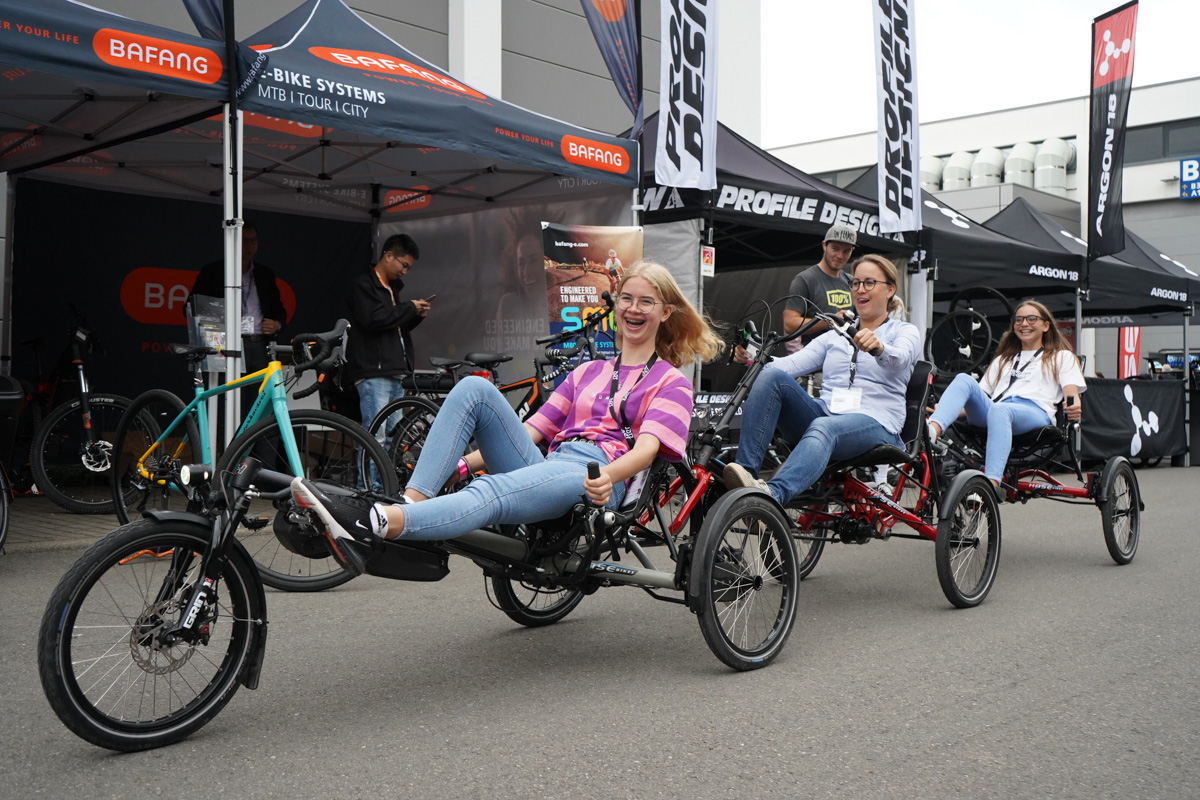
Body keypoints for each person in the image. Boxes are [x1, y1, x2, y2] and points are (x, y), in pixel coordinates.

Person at [292, 260, 722, 574]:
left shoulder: (671, 383)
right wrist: (462, 464)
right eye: (627, 298)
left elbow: (648, 450)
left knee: (494, 489)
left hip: (594, 478)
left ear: (665, 313)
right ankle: (410, 502)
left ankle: (382, 523)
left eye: (646, 302)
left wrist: (607, 475)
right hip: (550, 466)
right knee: (475, 388)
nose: (634, 308)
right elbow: (531, 430)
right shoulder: (588, 371)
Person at [724, 254, 921, 506]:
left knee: (824, 427)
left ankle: (771, 498)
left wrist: (879, 348)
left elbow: (901, 358)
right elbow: (789, 364)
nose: (860, 289)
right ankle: (746, 479)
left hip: (877, 421)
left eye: (869, 283)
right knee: (771, 375)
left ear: (890, 289)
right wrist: (751, 356)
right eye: (856, 283)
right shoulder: (835, 334)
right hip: (828, 413)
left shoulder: (904, 332)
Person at [926, 299, 1085, 495]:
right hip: (997, 412)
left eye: (1031, 318)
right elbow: (975, 401)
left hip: (1035, 414)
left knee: (1001, 409)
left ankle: (990, 485)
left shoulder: (1061, 356)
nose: (1024, 324)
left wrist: (1074, 405)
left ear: (1046, 325)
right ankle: (932, 431)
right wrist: (945, 409)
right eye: (1019, 320)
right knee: (963, 380)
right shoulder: (1003, 360)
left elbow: (1071, 393)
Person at [346, 233, 431, 434]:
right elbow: (374, 319)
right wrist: (409, 308)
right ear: (389, 255)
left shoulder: (392, 289)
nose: (405, 271)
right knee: (375, 436)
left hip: (395, 370)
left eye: (408, 267)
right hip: (374, 371)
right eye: (404, 265)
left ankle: (389, 468)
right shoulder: (364, 284)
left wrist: (416, 314)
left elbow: (394, 327)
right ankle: (369, 468)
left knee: (395, 435)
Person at [188, 220, 288, 376]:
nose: (250, 245)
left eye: (253, 240)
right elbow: (191, 307)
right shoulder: (213, 271)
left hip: (259, 344)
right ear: (233, 241)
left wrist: (277, 324)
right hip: (225, 343)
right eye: (245, 240)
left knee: (260, 395)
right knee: (229, 395)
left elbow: (279, 309)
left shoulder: (265, 274)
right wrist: (223, 313)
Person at [781, 224, 858, 352]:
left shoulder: (851, 280)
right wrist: (830, 321)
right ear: (824, 245)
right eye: (835, 248)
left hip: (846, 357)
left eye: (846, 251)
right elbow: (789, 324)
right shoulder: (806, 279)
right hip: (815, 362)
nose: (840, 255)